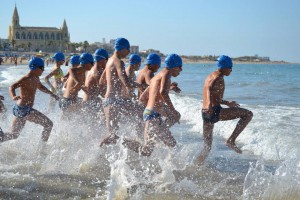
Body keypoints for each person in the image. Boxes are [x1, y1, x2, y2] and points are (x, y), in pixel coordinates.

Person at [196, 55, 253, 165]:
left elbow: (215, 96)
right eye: (230, 68)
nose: (231, 71)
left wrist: (227, 103)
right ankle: (231, 140)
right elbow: (208, 90)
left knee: (207, 147)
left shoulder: (210, 76)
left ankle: (195, 166)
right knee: (248, 114)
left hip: (205, 112)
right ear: (225, 67)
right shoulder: (218, 77)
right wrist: (208, 104)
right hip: (214, 111)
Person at [123, 54, 183, 156]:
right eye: (180, 67)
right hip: (153, 116)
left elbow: (142, 98)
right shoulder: (167, 73)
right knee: (171, 145)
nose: (181, 70)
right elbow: (163, 92)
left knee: (148, 151)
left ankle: (122, 141)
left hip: (149, 113)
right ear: (175, 66)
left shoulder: (156, 77)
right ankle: (122, 141)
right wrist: (173, 110)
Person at [0, 57, 59, 143]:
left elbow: (41, 87)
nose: (43, 70)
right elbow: (12, 86)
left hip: (21, 109)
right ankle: (42, 150)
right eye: (42, 68)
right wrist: (13, 96)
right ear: (34, 67)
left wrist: (52, 94)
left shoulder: (36, 78)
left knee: (14, 134)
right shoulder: (26, 78)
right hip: (23, 109)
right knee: (49, 124)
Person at [99, 37, 134, 146]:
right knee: (114, 135)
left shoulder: (109, 61)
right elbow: (122, 76)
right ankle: (96, 151)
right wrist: (129, 88)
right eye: (128, 49)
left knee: (114, 133)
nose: (128, 52)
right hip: (114, 102)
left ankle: (99, 155)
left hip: (108, 101)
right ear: (122, 48)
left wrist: (105, 93)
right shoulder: (119, 62)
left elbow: (101, 81)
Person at [59, 53, 94, 119]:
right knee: (87, 112)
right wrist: (77, 83)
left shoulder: (80, 72)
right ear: (87, 63)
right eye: (92, 63)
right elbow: (71, 69)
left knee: (66, 121)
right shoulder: (80, 69)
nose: (93, 66)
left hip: (64, 100)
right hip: (68, 101)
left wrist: (81, 86)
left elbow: (68, 84)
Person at [82, 49, 108, 122]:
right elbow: (102, 93)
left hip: (88, 102)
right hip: (90, 104)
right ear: (102, 59)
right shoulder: (97, 73)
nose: (107, 62)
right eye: (106, 59)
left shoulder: (90, 70)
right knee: (103, 123)